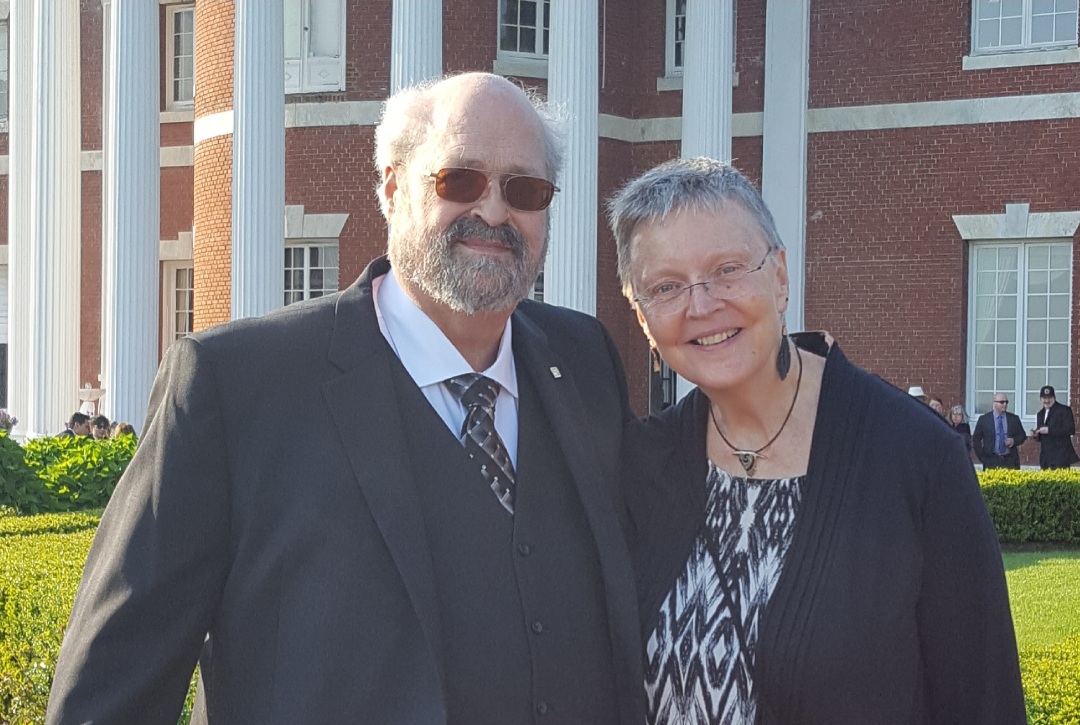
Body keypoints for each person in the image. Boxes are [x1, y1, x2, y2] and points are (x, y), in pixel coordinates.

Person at [47, 73, 644, 724]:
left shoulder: (583, 359)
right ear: (391, 187)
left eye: (524, 189)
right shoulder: (236, 386)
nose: (495, 212)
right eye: (459, 180)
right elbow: (110, 692)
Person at [608, 157, 1024, 724]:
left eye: (728, 270)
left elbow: (983, 703)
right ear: (641, 317)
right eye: (666, 287)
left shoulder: (916, 459)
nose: (701, 305)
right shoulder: (639, 465)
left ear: (779, 276)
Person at [972, 393, 1027, 469]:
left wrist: (1014, 441)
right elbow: (976, 439)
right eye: (1001, 402)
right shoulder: (984, 419)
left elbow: (1022, 436)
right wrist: (982, 458)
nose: (1004, 404)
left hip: (1010, 459)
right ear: (994, 403)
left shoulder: (1013, 418)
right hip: (991, 459)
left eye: (1006, 402)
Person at [1031, 385, 1079, 470]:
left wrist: (1049, 430)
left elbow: (1070, 430)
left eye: (1049, 398)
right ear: (1040, 399)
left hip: (1061, 457)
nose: (1047, 401)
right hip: (1045, 458)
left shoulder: (1064, 410)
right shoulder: (1040, 414)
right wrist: (1036, 435)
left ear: (1054, 397)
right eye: (1044, 398)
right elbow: (1042, 437)